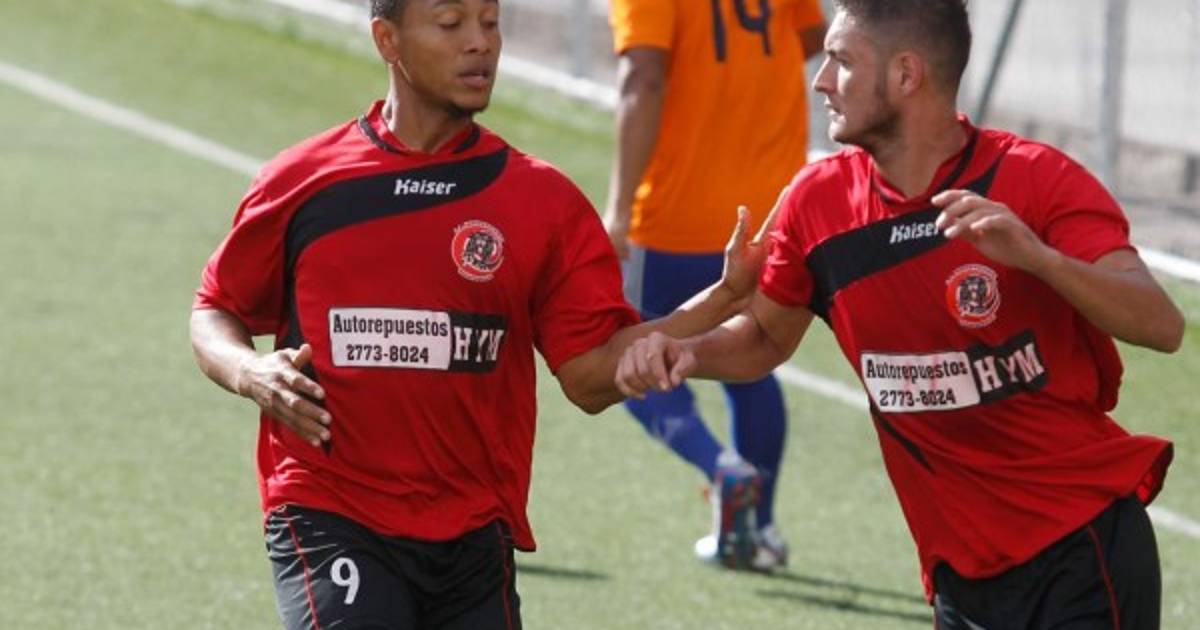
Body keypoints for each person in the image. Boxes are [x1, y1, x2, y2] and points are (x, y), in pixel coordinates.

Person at [188, 1, 777, 628]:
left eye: (491, 23)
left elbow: (590, 376)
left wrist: (723, 297)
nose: (481, 44)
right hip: (331, 510)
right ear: (387, 40)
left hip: (473, 533)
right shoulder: (302, 181)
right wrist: (250, 371)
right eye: (451, 24)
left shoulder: (542, 202)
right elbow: (215, 309)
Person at [616, 0, 1185, 626]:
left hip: (1080, 551)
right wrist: (686, 351)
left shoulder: (1033, 179)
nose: (821, 80)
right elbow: (764, 338)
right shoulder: (818, 202)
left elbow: (1161, 325)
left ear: (906, 74)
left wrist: (1040, 259)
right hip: (959, 575)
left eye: (842, 61)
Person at [605, 0, 826, 570]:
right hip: (772, 207)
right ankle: (759, 531)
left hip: (679, 211)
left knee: (626, 356)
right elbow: (810, 39)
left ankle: (721, 467)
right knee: (754, 356)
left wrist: (619, 209)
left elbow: (644, 76)